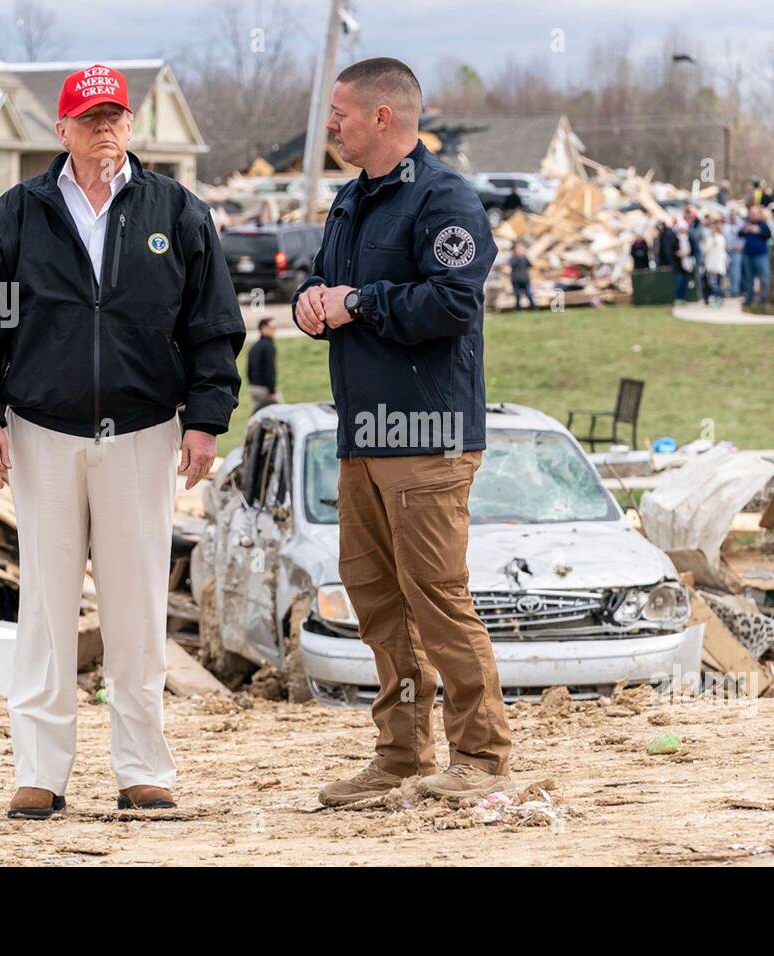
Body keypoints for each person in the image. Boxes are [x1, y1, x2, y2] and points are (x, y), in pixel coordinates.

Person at [0, 63, 245, 821]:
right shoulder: (14, 215)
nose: (104, 129)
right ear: (63, 130)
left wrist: (207, 418)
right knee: (47, 609)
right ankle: (40, 772)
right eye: (89, 118)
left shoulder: (178, 211)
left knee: (137, 605)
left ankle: (143, 767)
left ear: (131, 125)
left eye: (115, 116)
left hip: (145, 432)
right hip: (41, 431)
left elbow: (212, 325)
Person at [291, 57, 513, 806]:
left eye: (341, 114)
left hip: (429, 437)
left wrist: (361, 302)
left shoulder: (445, 199)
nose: (330, 126)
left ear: (383, 118)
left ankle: (480, 758)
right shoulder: (351, 203)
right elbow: (325, 285)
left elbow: (453, 304)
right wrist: (310, 306)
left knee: (438, 599)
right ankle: (400, 755)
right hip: (364, 436)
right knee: (378, 601)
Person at [739, 206, 774, 305]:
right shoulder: (747, 225)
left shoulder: (763, 225)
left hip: (761, 255)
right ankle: (749, 299)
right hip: (748, 255)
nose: (753, 215)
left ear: (759, 214)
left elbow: (769, 234)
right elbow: (740, 233)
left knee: (764, 278)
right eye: (751, 213)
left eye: (755, 213)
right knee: (749, 279)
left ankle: (763, 300)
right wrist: (747, 229)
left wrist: (758, 231)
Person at [247, 317, 280, 411]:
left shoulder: (254, 347)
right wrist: (272, 390)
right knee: (280, 414)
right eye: (272, 327)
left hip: (254, 388)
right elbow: (270, 370)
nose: (274, 330)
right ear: (263, 328)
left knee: (257, 417)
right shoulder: (268, 347)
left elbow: (249, 370)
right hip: (265, 389)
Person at [701, 217, 727, 306]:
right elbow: (704, 250)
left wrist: (714, 241)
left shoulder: (720, 238)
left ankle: (719, 299)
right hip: (710, 265)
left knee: (717, 283)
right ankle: (715, 298)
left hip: (718, 265)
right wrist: (706, 243)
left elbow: (721, 250)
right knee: (712, 283)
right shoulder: (708, 239)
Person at [509, 241, 535, 310]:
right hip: (516, 279)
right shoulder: (513, 258)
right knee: (517, 295)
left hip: (525, 279)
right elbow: (512, 264)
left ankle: (533, 307)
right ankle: (518, 308)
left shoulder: (525, 258)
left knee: (529, 294)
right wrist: (516, 256)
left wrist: (525, 255)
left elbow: (530, 265)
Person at [724, 213, 745, 299]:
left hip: (737, 251)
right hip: (728, 251)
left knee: (736, 272)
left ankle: (735, 290)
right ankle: (730, 289)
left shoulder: (741, 225)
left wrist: (741, 246)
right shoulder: (726, 225)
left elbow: (744, 238)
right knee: (729, 272)